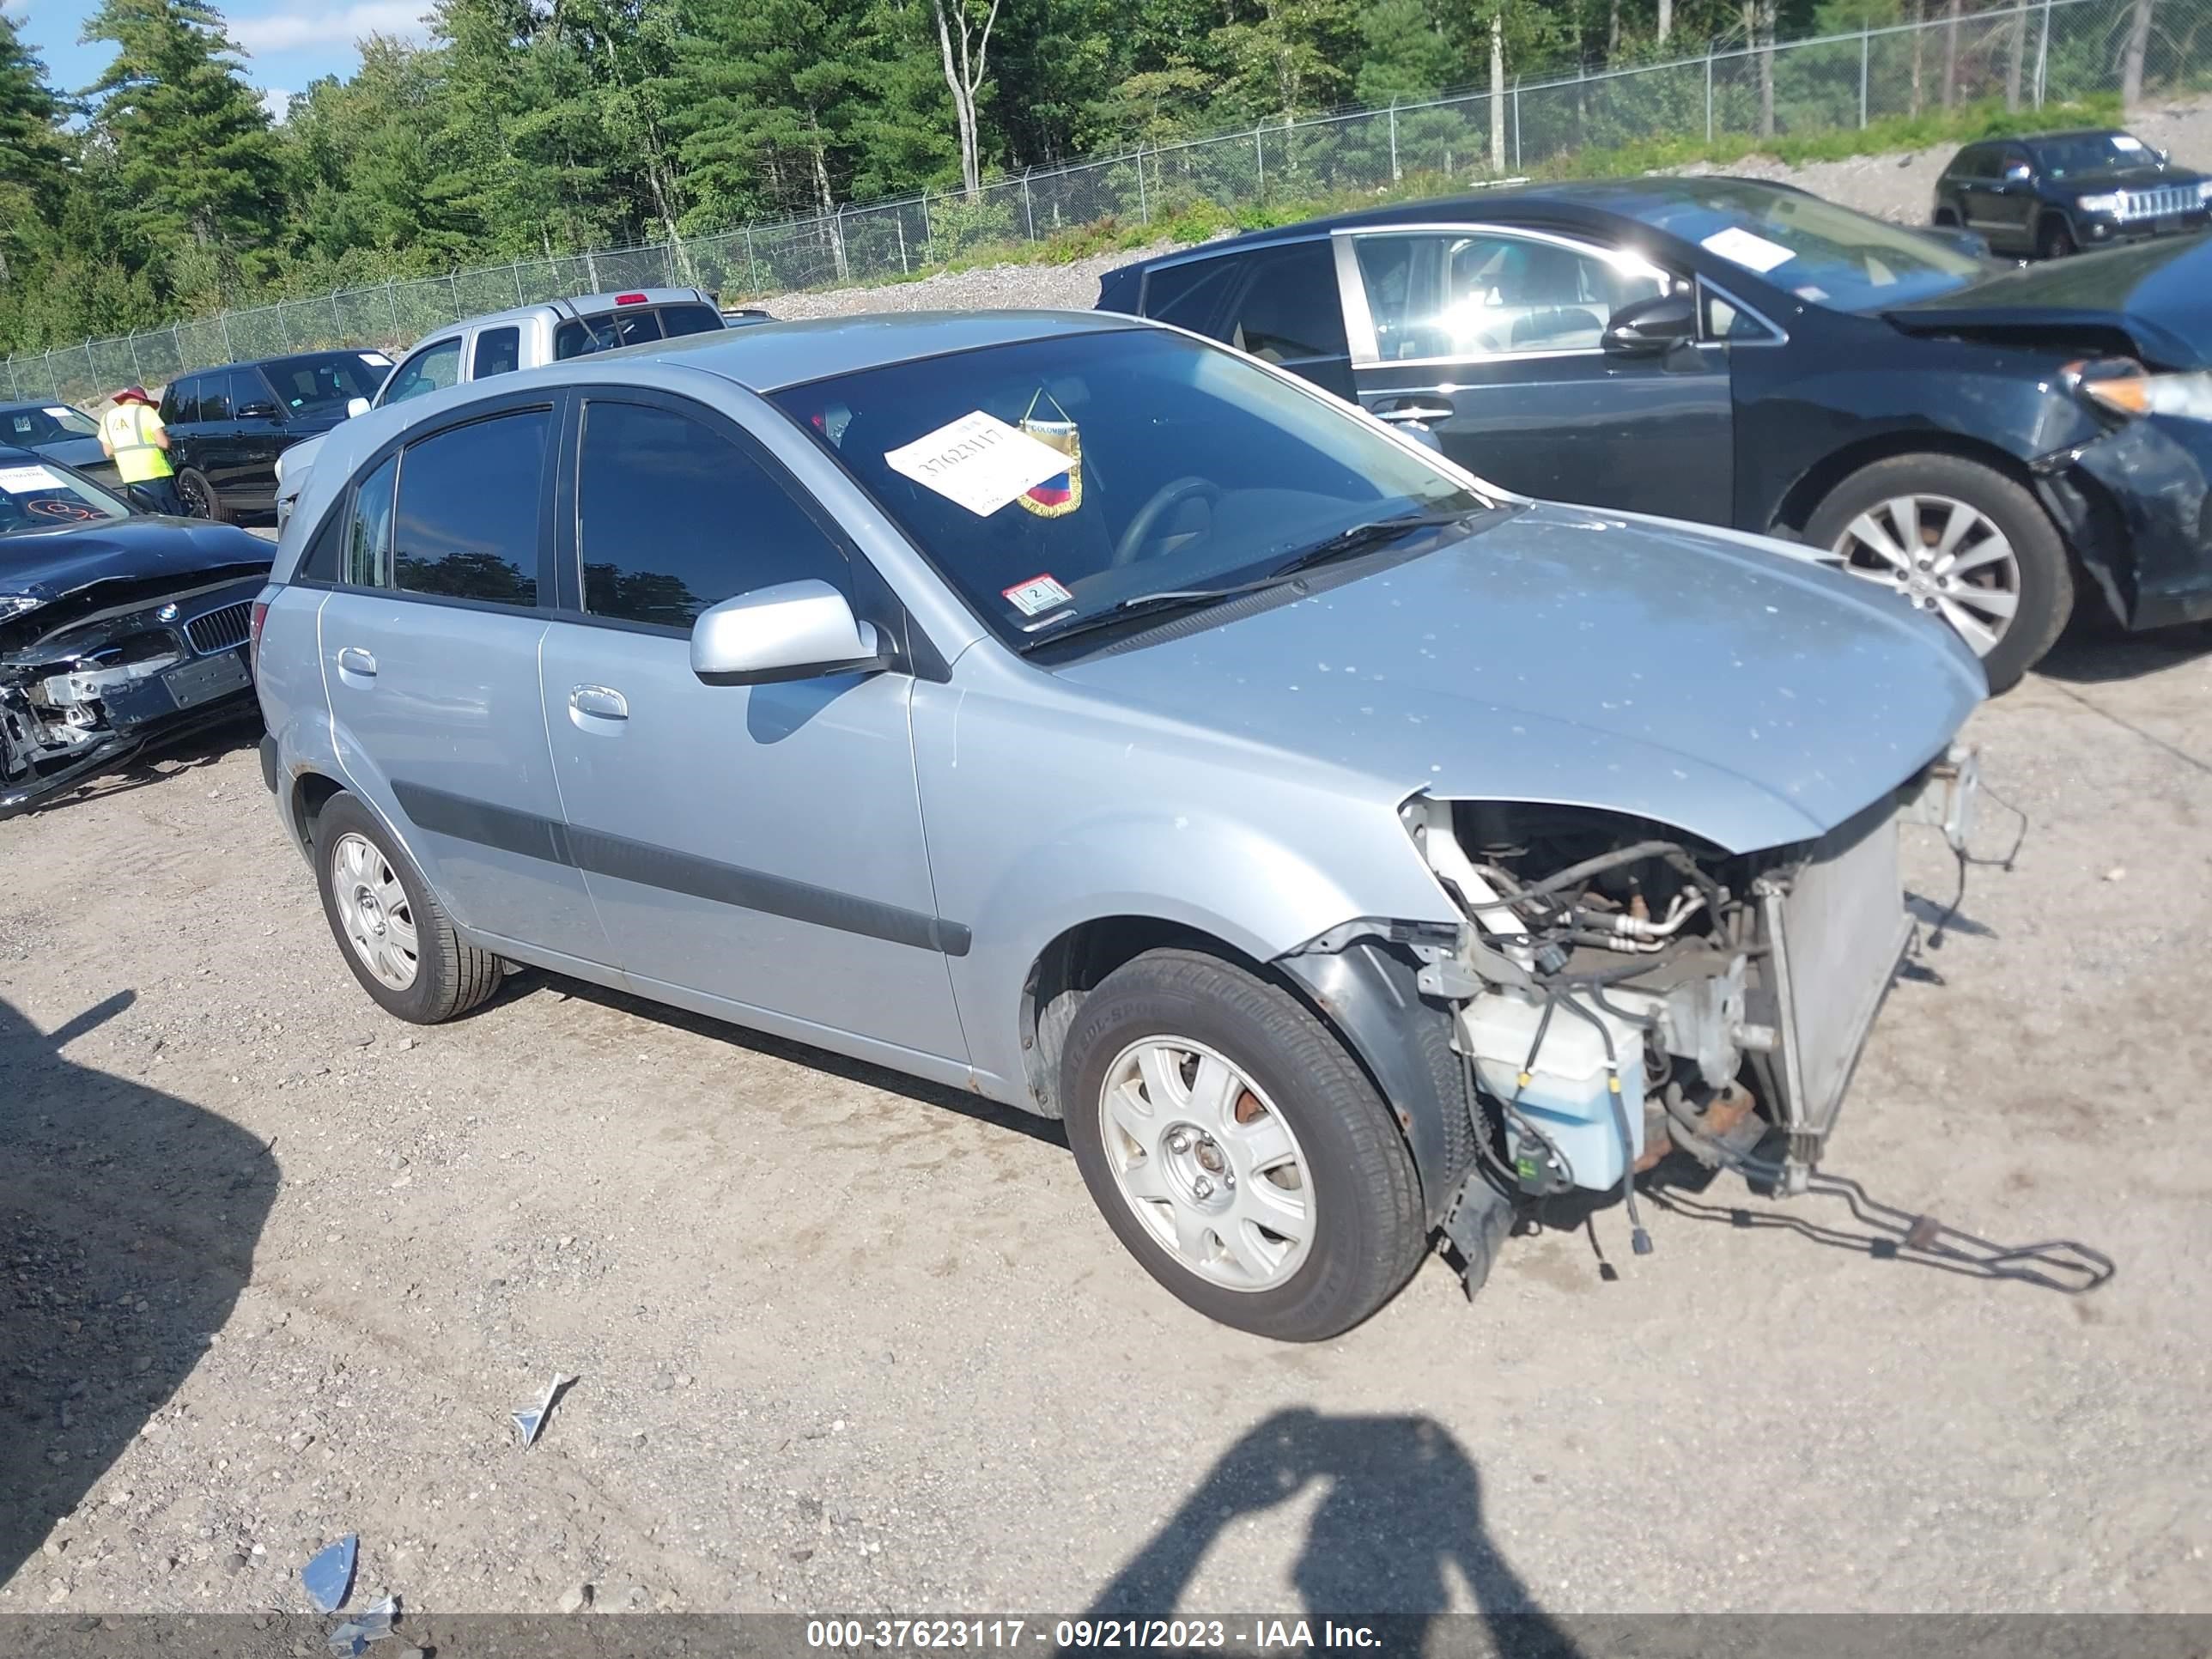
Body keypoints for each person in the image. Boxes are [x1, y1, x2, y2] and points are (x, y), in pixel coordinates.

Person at [99, 386, 185, 516]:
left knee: (149, 519)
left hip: (130, 476)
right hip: (156, 473)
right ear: (141, 400)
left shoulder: (107, 418)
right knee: (173, 517)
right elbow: (163, 443)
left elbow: (108, 451)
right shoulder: (145, 412)